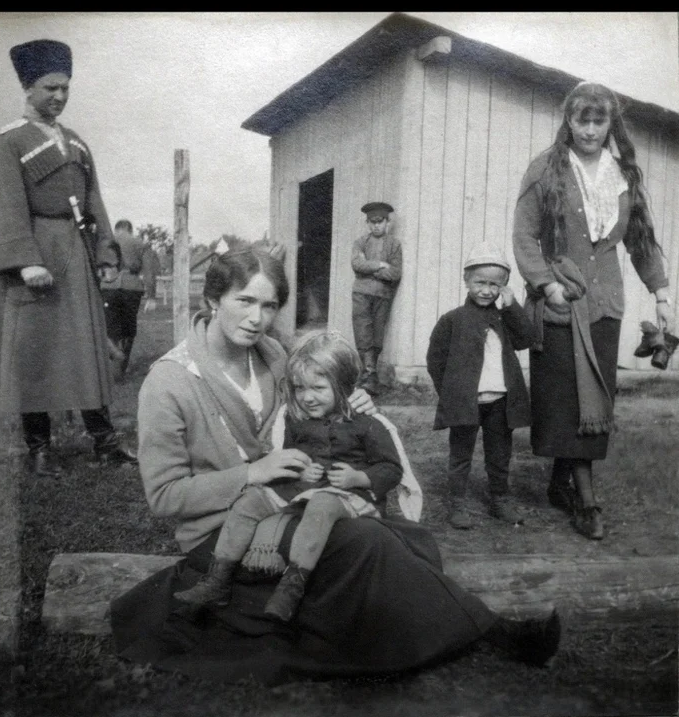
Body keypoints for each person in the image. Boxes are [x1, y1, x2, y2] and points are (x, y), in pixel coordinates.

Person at [110, 238, 561, 685]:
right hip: (223, 529)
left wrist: (350, 400)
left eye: (269, 306)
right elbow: (165, 498)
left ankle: (429, 620)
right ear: (212, 298)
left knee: (404, 536)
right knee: (365, 541)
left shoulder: (272, 354)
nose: (256, 318)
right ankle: (493, 633)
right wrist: (252, 472)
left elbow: (318, 394)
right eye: (244, 301)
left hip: (293, 499)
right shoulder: (169, 383)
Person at [512, 81, 672, 541]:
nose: (589, 129)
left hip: (605, 306)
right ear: (568, 120)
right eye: (580, 119)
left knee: (594, 398)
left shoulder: (623, 175)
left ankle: (560, 484)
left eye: (598, 120)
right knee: (569, 397)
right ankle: (587, 500)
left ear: (610, 124)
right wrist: (545, 284)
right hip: (560, 301)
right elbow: (525, 236)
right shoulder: (545, 168)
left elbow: (640, 242)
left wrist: (662, 296)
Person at [0, 39, 137, 476]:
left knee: (86, 349)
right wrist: (25, 261)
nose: (60, 96)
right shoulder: (7, 143)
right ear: (28, 87)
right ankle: (39, 448)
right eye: (50, 87)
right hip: (35, 258)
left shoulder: (77, 144)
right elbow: (0, 205)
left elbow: (95, 202)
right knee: (34, 352)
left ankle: (105, 443)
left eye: (65, 88)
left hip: (76, 253)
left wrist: (106, 252)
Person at [173, 329, 403, 623]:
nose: (307, 397)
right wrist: (301, 468)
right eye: (299, 388)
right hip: (301, 486)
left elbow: (391, 468)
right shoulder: (296, 418)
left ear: (343, 385)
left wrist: (359, 478)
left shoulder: (366, 424)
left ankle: (292, 585)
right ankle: (218, 579)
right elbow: (290, 452)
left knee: (321, 505)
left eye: (318, 388)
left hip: (346, 494)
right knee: (249, 501)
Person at [427, 242, 535, 530]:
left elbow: (526, 339)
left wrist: (512, 307)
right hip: (466, 401)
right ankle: (457, 503)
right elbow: (435, 359)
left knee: (499, 454)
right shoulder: (453, 319)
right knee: (461, 454)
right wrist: (451, 392)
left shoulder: (504, 318)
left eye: (494, 285)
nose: (486, 290)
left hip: (501, 400)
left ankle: (500, 499)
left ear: (504, 286)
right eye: (480, 282)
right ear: (466, 281)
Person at [97, 219, 158, 382]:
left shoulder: (105, 242)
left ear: (117, 229)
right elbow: (149, 272)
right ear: (130, 230)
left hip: (108, 287)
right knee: (128, 329)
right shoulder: (140, 243)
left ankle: (112, 364)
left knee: (110, 328)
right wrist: (151, 296)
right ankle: (120, 369)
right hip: (131, 288)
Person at [351, 201, 402, 394]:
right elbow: (356, 265)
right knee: (362, 331)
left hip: (383, 295)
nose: (376, 226)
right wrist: (381, 265)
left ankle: (371, 375)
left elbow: (395, 273)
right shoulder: (360, 242)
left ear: (387, 222)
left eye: (380, 222)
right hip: (361, 294)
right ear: (367, 223)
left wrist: (370, 269)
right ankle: (368, 375)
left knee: (377, 335)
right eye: (372, 222)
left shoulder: (394, 244)